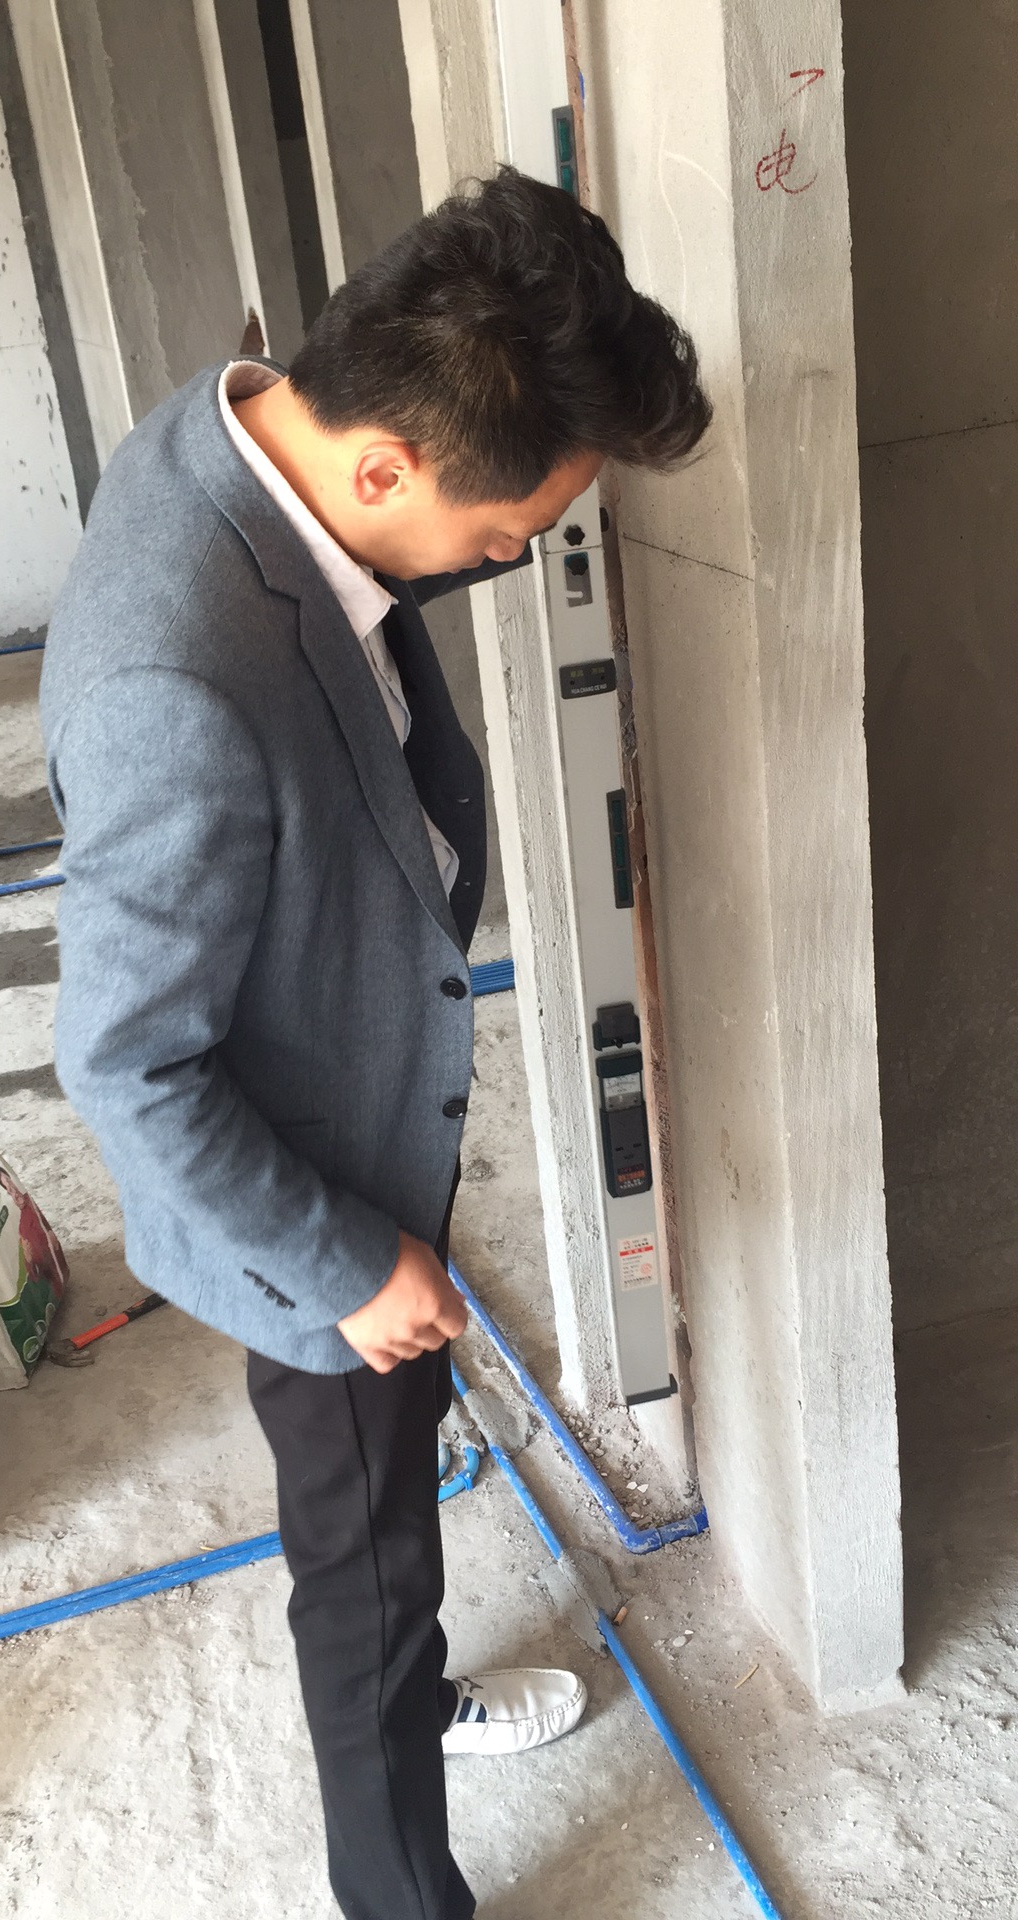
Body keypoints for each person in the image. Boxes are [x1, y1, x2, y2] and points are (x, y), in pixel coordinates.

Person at [40, 167, 710, 1920]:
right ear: (390, 469)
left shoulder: (247, 433)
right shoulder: (178, 684)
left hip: (348, 1100)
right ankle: (401, 1884)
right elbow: (126, 1064)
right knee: (365, 1562)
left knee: (387, 1516)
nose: (508, 561)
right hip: (303, 1206)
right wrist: (349, 1262)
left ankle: (417, 1706)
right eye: (506, 536)